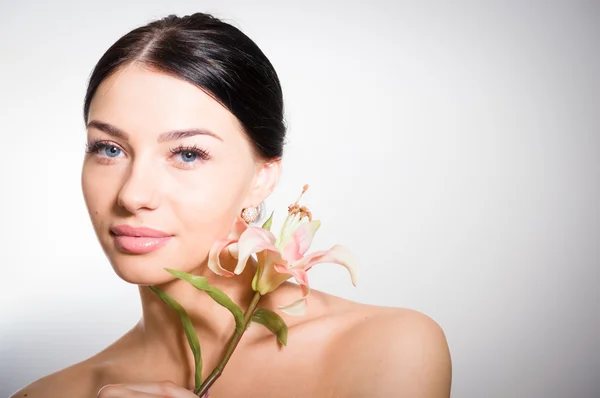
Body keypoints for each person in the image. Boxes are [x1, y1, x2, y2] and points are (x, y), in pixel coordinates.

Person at [11, 12, 451, 398]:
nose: (132, 195)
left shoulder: (386, 349)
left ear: (262, 177)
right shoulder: (51, 393)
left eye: (188, 154)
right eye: (109, 148)